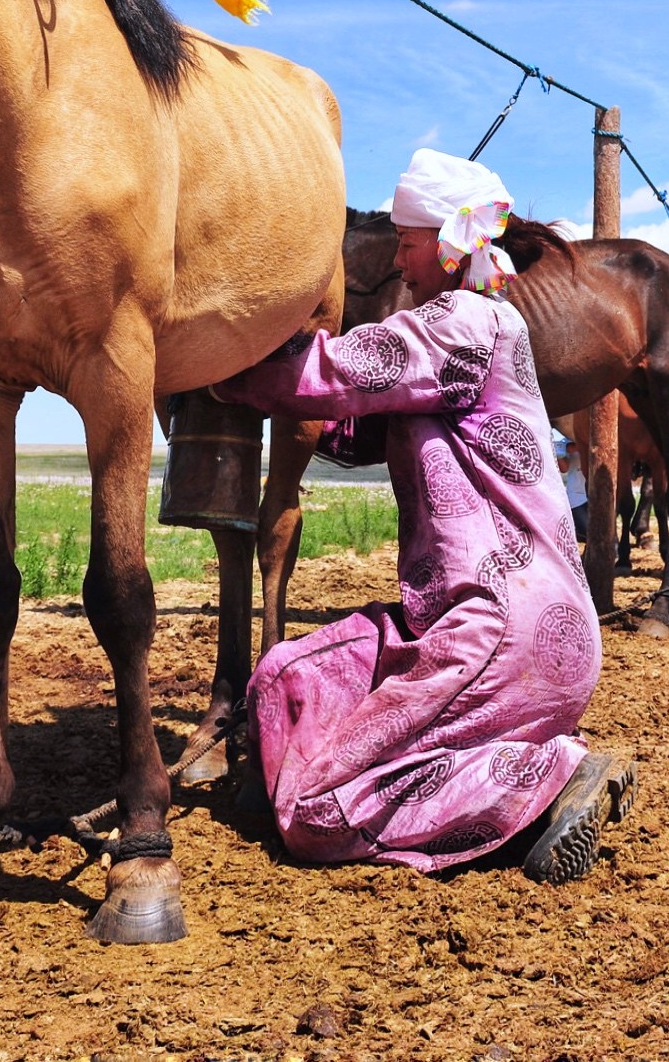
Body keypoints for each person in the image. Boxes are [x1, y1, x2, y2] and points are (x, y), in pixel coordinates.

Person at [216, 148, 635, 882]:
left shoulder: (461, 322)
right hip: (512, 624)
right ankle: (492, 766)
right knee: (286, 670)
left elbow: (326, 373)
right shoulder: (477, 331)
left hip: (495, 628)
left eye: (407, 243)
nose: (397, 261)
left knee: (318, 810)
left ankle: (547, 782)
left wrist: (210, 358)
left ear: (447, 242)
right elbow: (358, 427)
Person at [554, 427, 590, 543]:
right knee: (588, 533)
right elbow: (564, 468)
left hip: (593, 495)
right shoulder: (567, 440)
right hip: (576, 498)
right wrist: (558, 454)